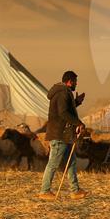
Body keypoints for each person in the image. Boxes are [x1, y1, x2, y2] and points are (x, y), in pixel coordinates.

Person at [37, 70, 88, 201]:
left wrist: (76, 102)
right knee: (53, 163)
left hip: (64, 135)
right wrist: (78, 123)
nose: (76, 84)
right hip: (59, 134)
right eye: (75, 82)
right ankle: (44, 191)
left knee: (70, 163)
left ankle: (75, 191)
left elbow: (65, 109)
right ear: (70, 82)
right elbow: (63, 113)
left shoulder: (63, 93)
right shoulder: (62, 93)